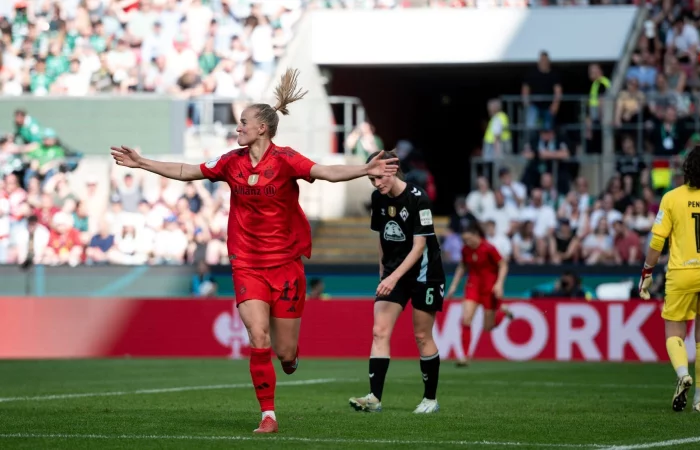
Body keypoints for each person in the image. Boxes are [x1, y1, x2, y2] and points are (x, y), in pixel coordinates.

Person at [110, 68, 398, 433]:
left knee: (285, 353)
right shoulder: (231, 161)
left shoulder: (286, 160)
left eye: (243, 122)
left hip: (286, 265)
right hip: (246, 264)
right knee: (257, 337)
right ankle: (268, 415)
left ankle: (290, 360)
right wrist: (143, 162)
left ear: (262, 127)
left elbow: (325, 172)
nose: (237, 127)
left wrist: (364, 169)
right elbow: (187, 170)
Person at [638, 145, 700, 414]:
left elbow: (657, 240)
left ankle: (683, 374)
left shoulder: (670, 198)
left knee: (674, 333)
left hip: (681, 274)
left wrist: (647, 272)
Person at [348, 150, 445, 415]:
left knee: (422, 335)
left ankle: (430, 399)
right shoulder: (377, 199)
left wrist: (392, 277)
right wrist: (383, 274)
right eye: (371, 179)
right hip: (393, 273)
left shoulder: (419, 199)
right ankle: (374, 398)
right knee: (379, 331)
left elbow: (418, 247)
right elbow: (382, 239)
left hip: (425, 273)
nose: (376, 183)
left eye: (379, 177)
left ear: (393, 170)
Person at [445, 221, 513, 367]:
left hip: (489, 288)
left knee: (488, 327)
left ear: (476, 235)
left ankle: (502, 312)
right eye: (464, 240)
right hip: (473, 286)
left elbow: (503, 265)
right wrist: (453, 286)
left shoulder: (488, 248)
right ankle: (465, 356)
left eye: (469, 239)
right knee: (466, 319)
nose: (467, 242)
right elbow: (462, 266)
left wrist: (499, 283)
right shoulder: (466, 250)